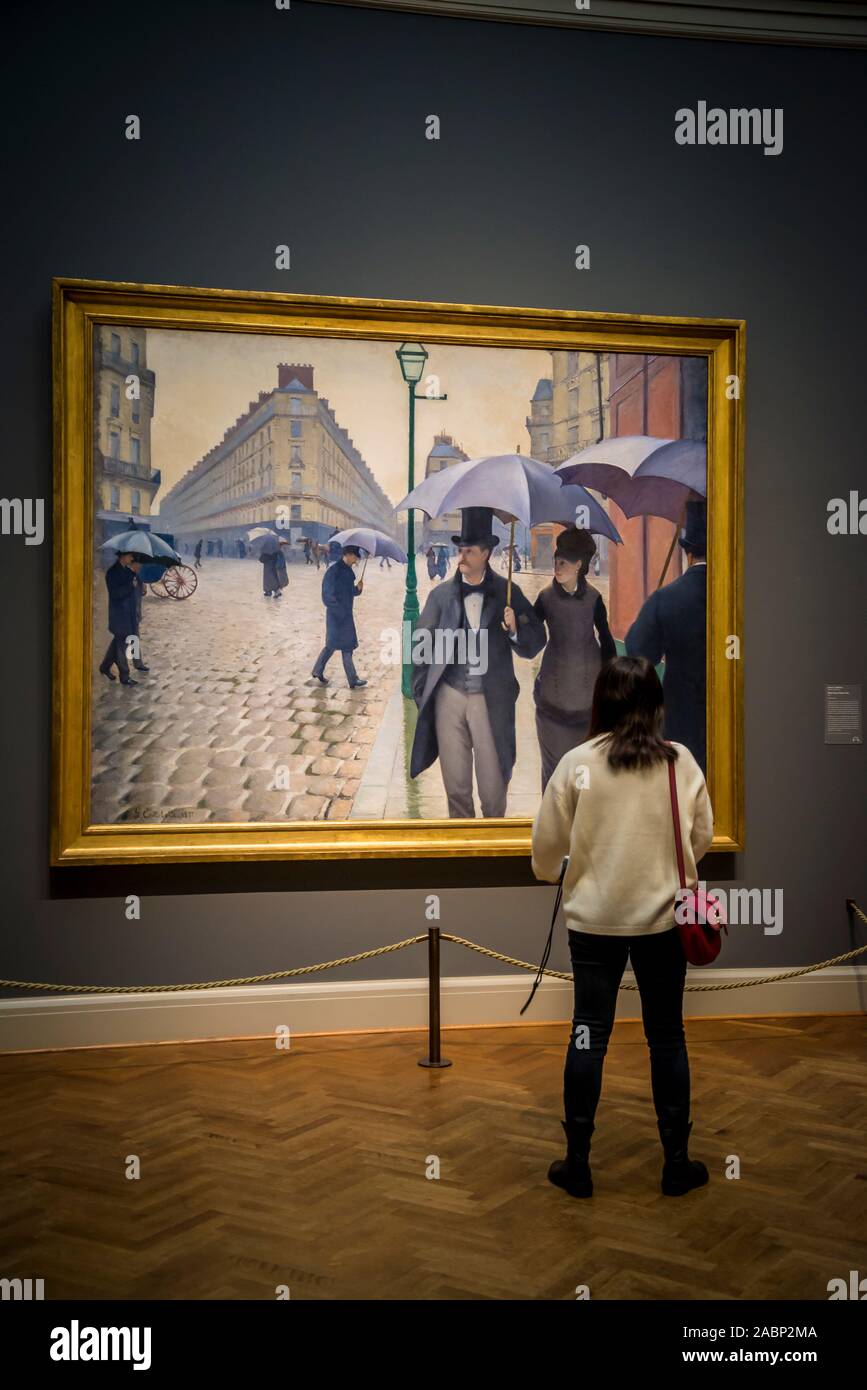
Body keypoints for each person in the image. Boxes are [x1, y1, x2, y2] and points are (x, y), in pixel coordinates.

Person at [531, 655, 714, 1200]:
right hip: (662, 921)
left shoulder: (577, 763)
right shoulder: (679, 762)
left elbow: (545, 853)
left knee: (587, 1036)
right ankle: (676, 1164)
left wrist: (561, 871)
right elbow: (699, 838)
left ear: (601, 701)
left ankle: (578, 1163)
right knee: (667, 1038)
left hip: (594, 922)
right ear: (654, 705)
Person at [410, 507, 545, 818]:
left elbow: (536, 642)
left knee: (494, 789)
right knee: (456, 788)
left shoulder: (508, 593)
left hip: (491, 700)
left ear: (487, 552)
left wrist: (515, 630)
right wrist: (425, 694)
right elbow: (418, 646)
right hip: (449, 698)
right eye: (461, 550)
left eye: (469, 551)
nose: (462, 557)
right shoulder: (441, 596)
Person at [625, 500, 707, 772]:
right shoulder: (740, 596)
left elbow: (638, 651)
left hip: (681, 720)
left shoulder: (667, 598)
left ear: (688, 554)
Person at [533, 527, 616, 791]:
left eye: (563, 563)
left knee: (585, 775)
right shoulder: (545, 597)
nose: (556, 567)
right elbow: (531, 638)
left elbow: (606, 639)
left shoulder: (593, 598)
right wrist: (514, 625)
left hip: (587, 699)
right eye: (556, 561)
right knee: (553, 773)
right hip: (552, 698)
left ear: (579, 565)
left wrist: (611, 681)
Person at [311, 545, 367, 688]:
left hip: (345, 616)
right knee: (340, 647)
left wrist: (358, 589)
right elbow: (327, 595)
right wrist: (338, 609)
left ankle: (318, 670)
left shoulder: (347, 571)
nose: (355, 561)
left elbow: (349, 592)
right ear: (347, 555)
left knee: (336, 646)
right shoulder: (334, 571)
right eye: (354, 557)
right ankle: (352, 679)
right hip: (337, 617)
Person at [99, 551, 145, 685]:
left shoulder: (126, 570)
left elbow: (134, 582)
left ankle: (104, 667)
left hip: (128, 614)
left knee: (117, 644)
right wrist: (131, 585)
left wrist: (139, 584)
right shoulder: (113, 573)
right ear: (123, 556)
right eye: (130, 556)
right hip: (119, 615)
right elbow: (116, 594)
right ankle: (124, 676)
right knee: (120, 647)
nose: (131, 558)